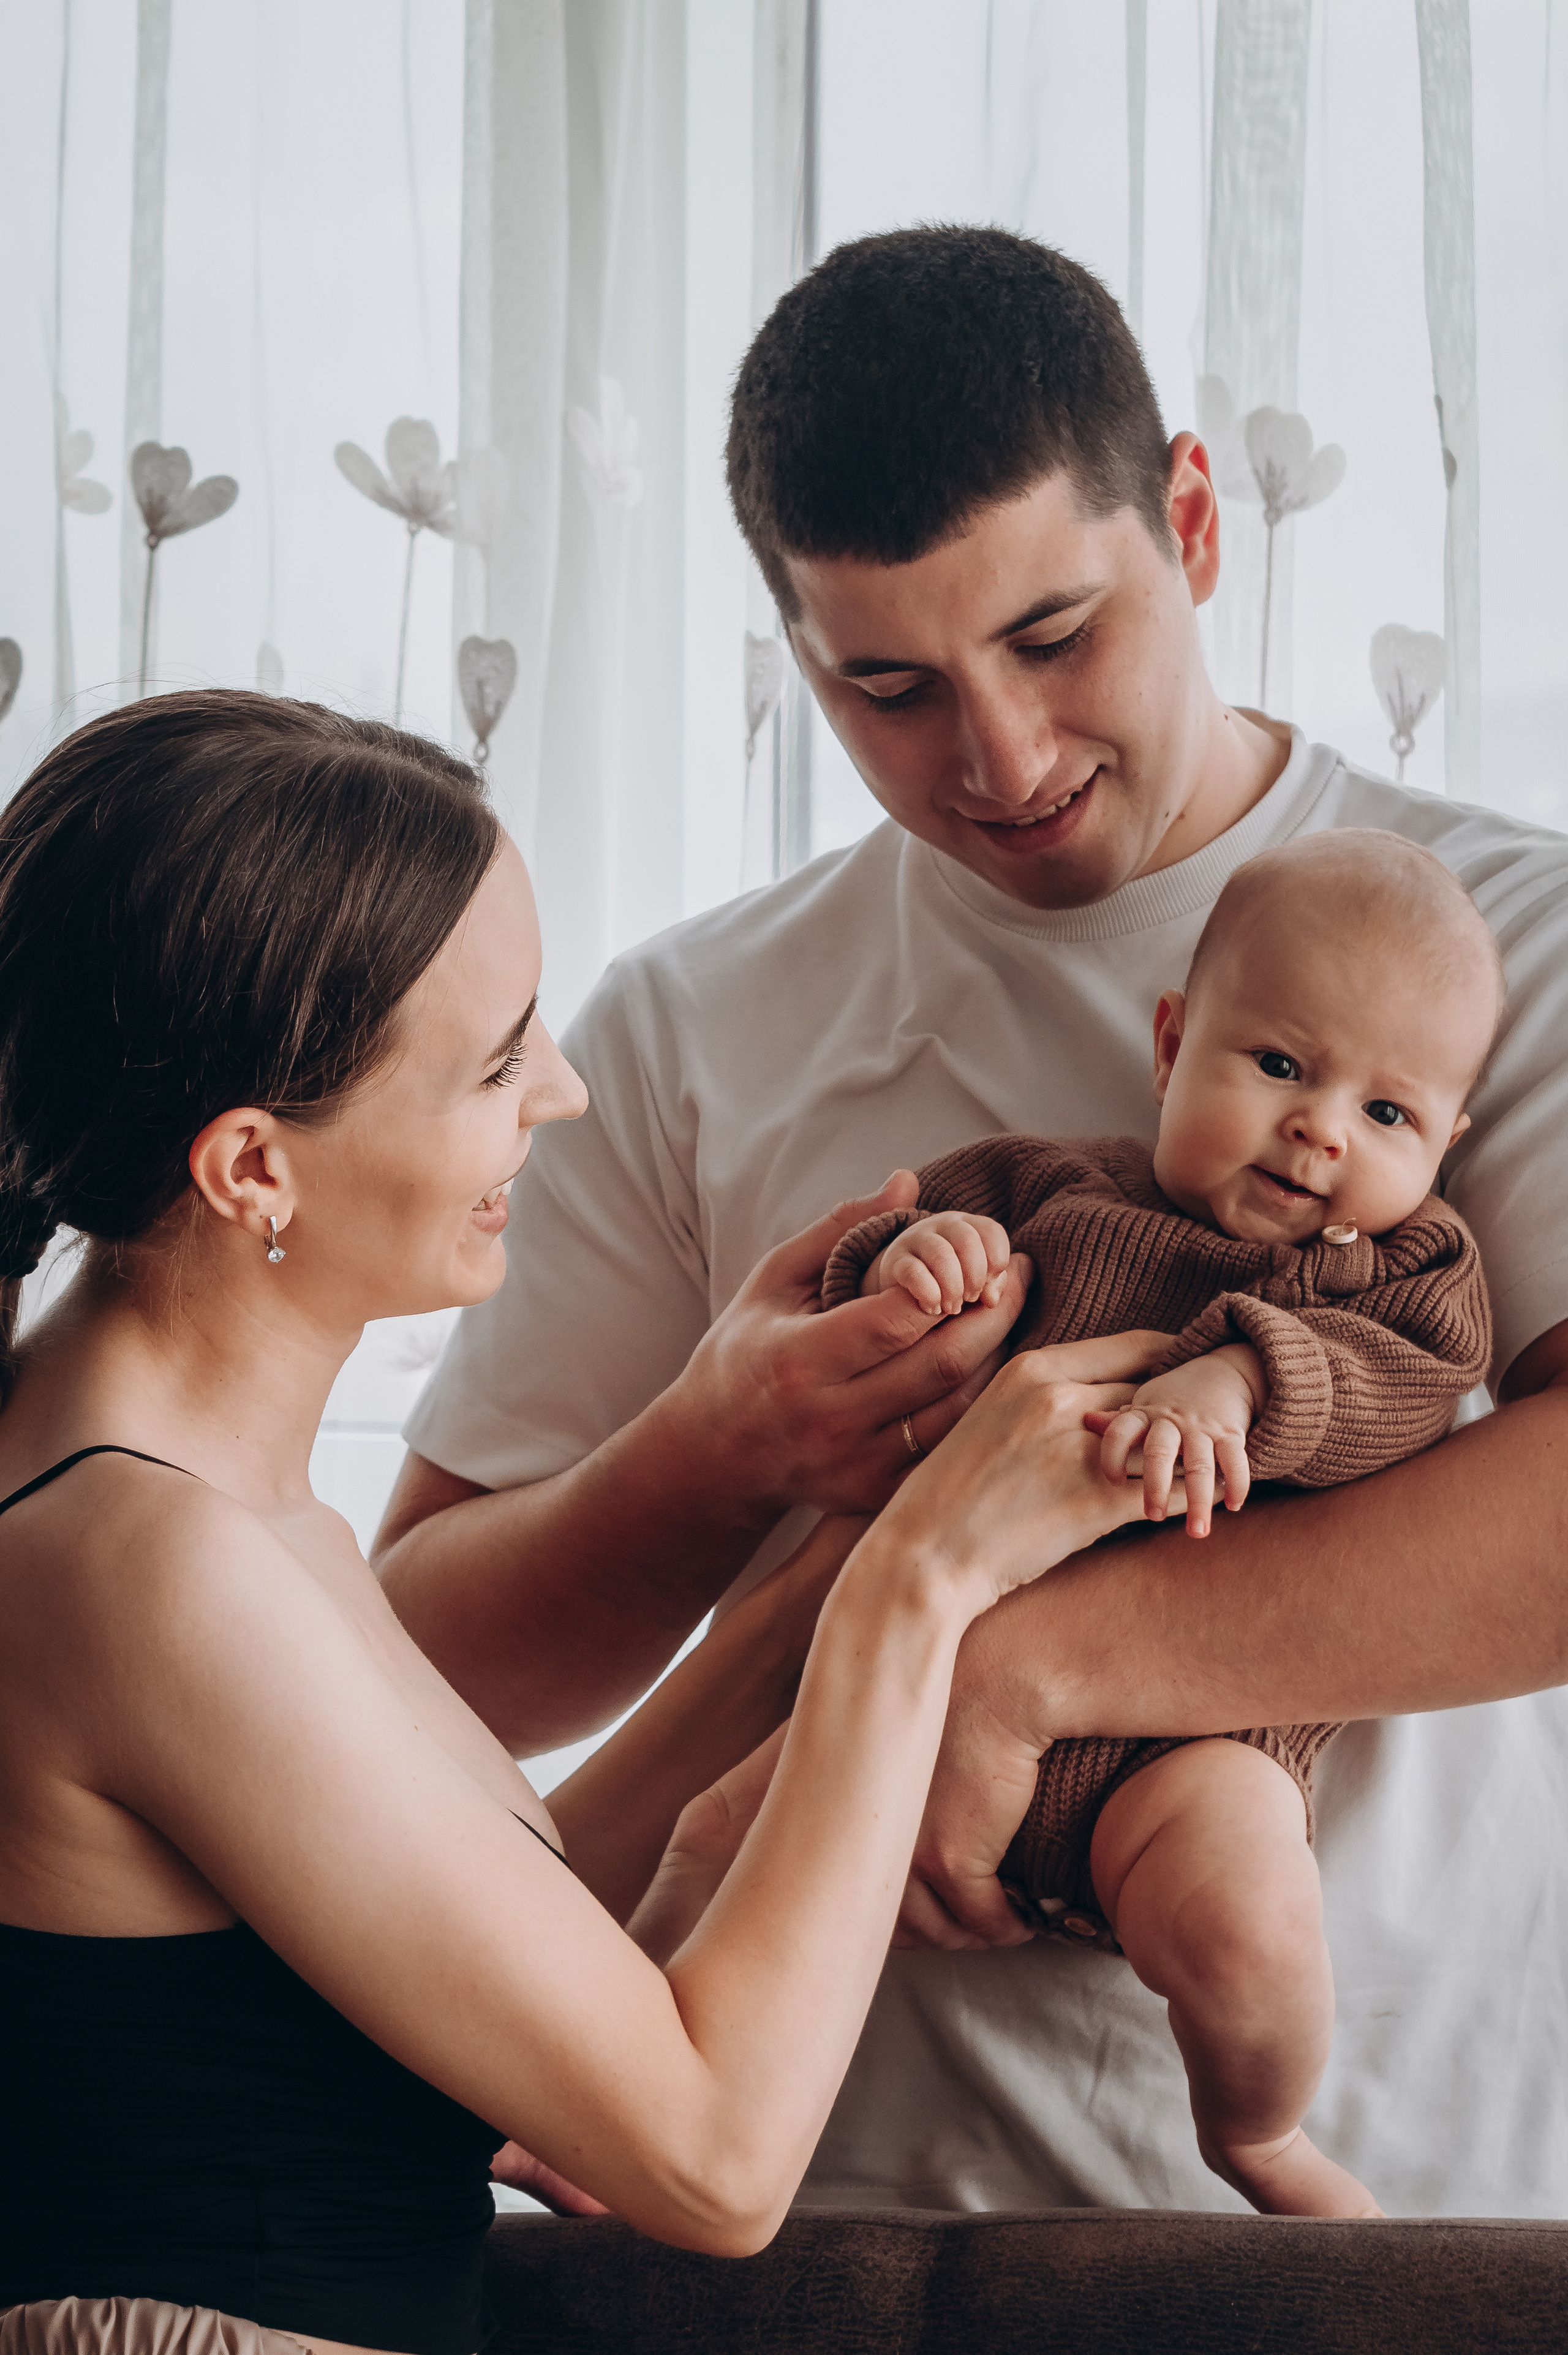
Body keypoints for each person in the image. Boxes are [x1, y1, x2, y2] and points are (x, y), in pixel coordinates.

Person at [378, 227, 1568, 2215]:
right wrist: (718, 1453)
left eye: (1055, 634)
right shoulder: (688, 1023)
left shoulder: (1500, 946)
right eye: (892, 686)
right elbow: (419, 1676)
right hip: (816, 2215)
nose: (1000, 758)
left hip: (1398, 2206)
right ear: (798, 661)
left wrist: (995, 1665)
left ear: (1191, 516)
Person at [0, 689, 1150, 2354]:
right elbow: (714, 2152)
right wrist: (924, 1577)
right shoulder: (147, 1563)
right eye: (492, 1057)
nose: (564, 1090)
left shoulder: (172, 1479)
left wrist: (829, 1534)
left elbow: (478, 1919)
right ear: (256, 1166)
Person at [829, 827, 1501, 2217]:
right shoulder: (1045, 1192)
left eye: (1389, 1116)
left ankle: (1255, 2138)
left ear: (1448, 1146)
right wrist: (910, 1258)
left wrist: (1244, 1375)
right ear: (1169, 1043)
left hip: (1196, 1744)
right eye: (1278, 1066)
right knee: (720, 1840)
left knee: (1250, 1929)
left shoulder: (1404, 1272)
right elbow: (865, 1272)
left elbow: (1413, 1394)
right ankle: (610, 2076)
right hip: (916, 1690)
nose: (1320, 1127)